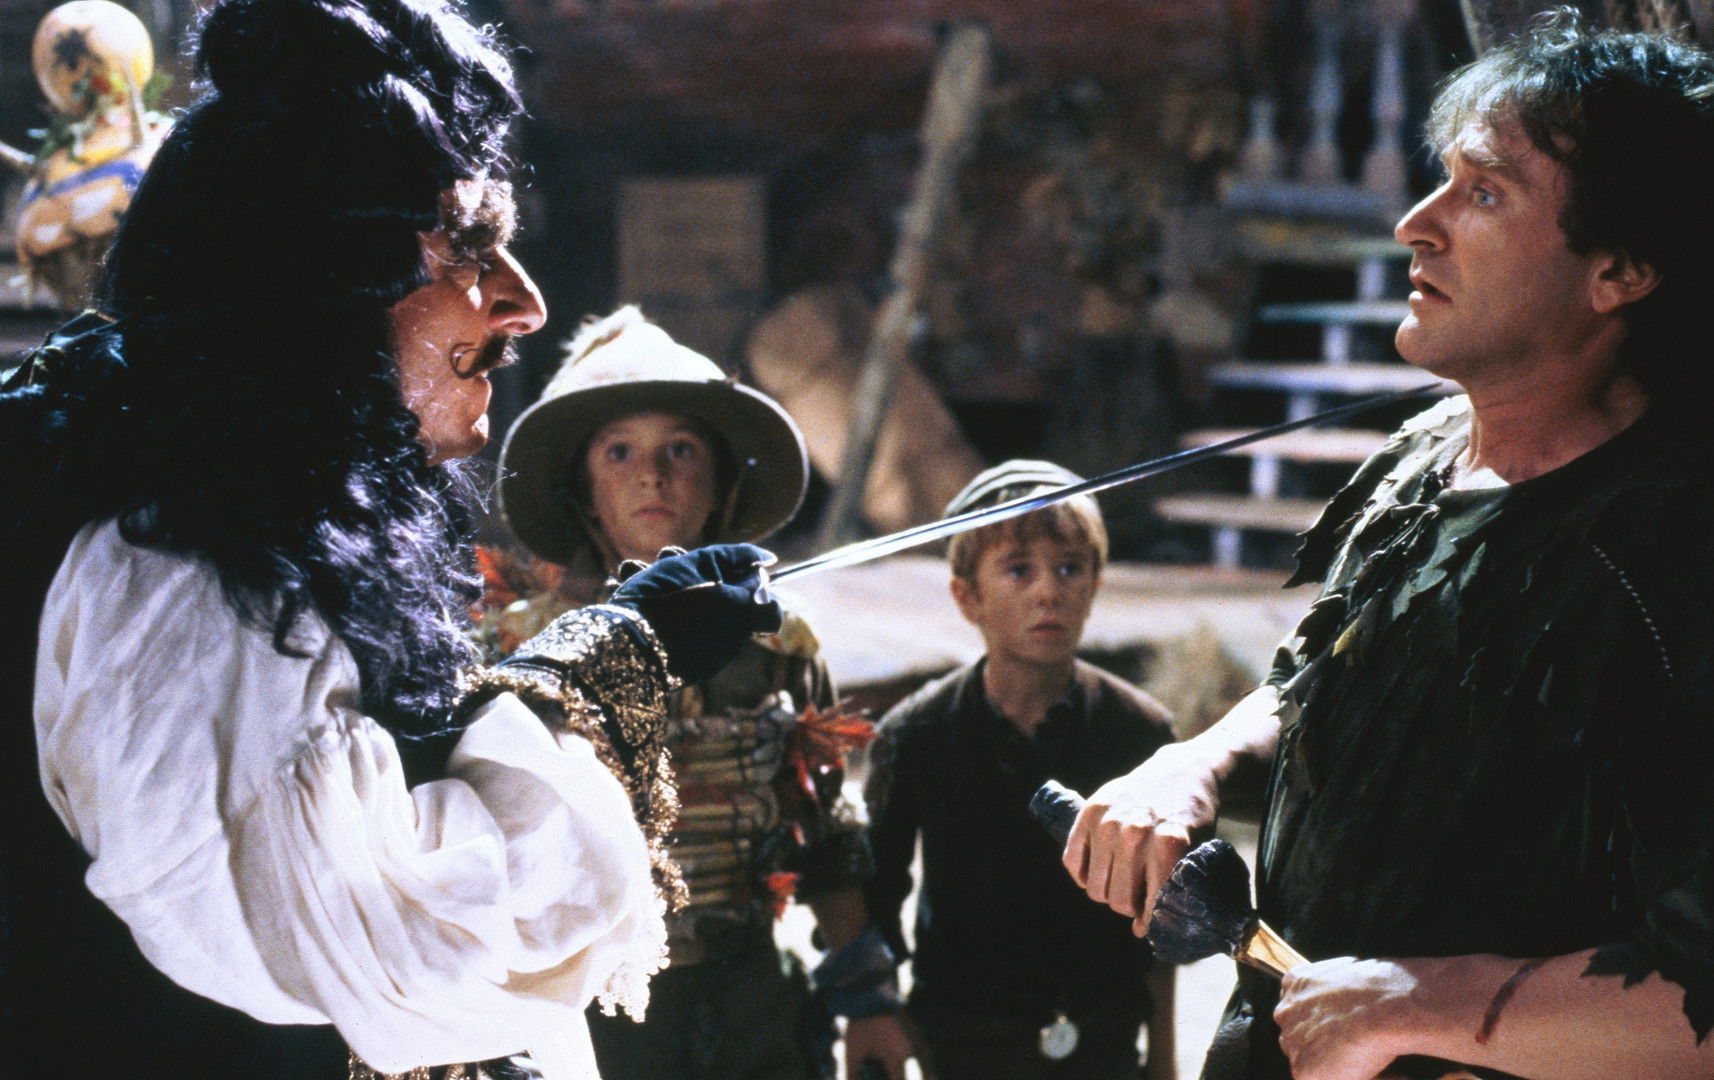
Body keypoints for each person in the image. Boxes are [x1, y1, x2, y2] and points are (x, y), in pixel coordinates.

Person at [1061, 11, 1714, 1080]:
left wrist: (1427, 1002)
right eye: (1444, 180)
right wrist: (1192, 763)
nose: (1414, 224)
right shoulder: (1428, 454)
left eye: (1484, 194)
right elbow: (1325, 685)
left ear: (1622, 268)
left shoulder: (1697, 553)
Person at [0, 2, 777, 1077]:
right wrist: (598, 670)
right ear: (321, 284)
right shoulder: (185, 573)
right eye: (470, 252)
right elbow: (403, 939)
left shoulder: (264, 508)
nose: (524, 305)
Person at [490, 305, 914, 1080]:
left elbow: (825, 825)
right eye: (619, 451)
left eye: (681, 450)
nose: (652, 475)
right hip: (589, 1003)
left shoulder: (778, 643)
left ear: (721, 484)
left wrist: (869, 1000)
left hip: (748, 992)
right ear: (584, 491)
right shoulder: (525, 651)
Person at [860, 460, 1179, 1080]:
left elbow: (1162, 921)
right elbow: (877, 896)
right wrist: (879, 1020)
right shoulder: (915, 735)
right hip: (962, 1040)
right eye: (1018, 570)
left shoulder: (1141, 733)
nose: (1048, 592)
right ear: (968, 597)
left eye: (1070, 568)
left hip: (1101, 1038)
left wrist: (1164, 1061)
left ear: (1095, 586)